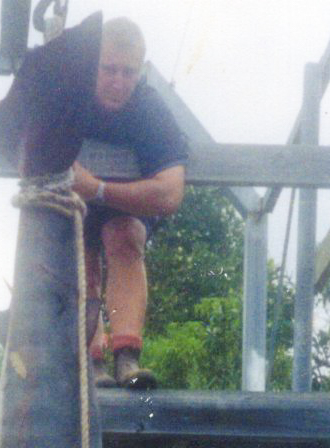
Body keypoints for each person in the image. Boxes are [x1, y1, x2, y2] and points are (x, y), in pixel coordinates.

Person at [69, 17, 187, 389]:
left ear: (140, 71)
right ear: (93, 64)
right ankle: (91, 359)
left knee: (124, 235)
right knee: (78, 246)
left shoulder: (150, 110)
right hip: (75, 206)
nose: (118, 81)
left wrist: (98, 188)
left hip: (119, 204)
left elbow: (169, 193)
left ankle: (127, 357)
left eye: (128, 72)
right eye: (108, 70)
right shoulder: (67, 94)